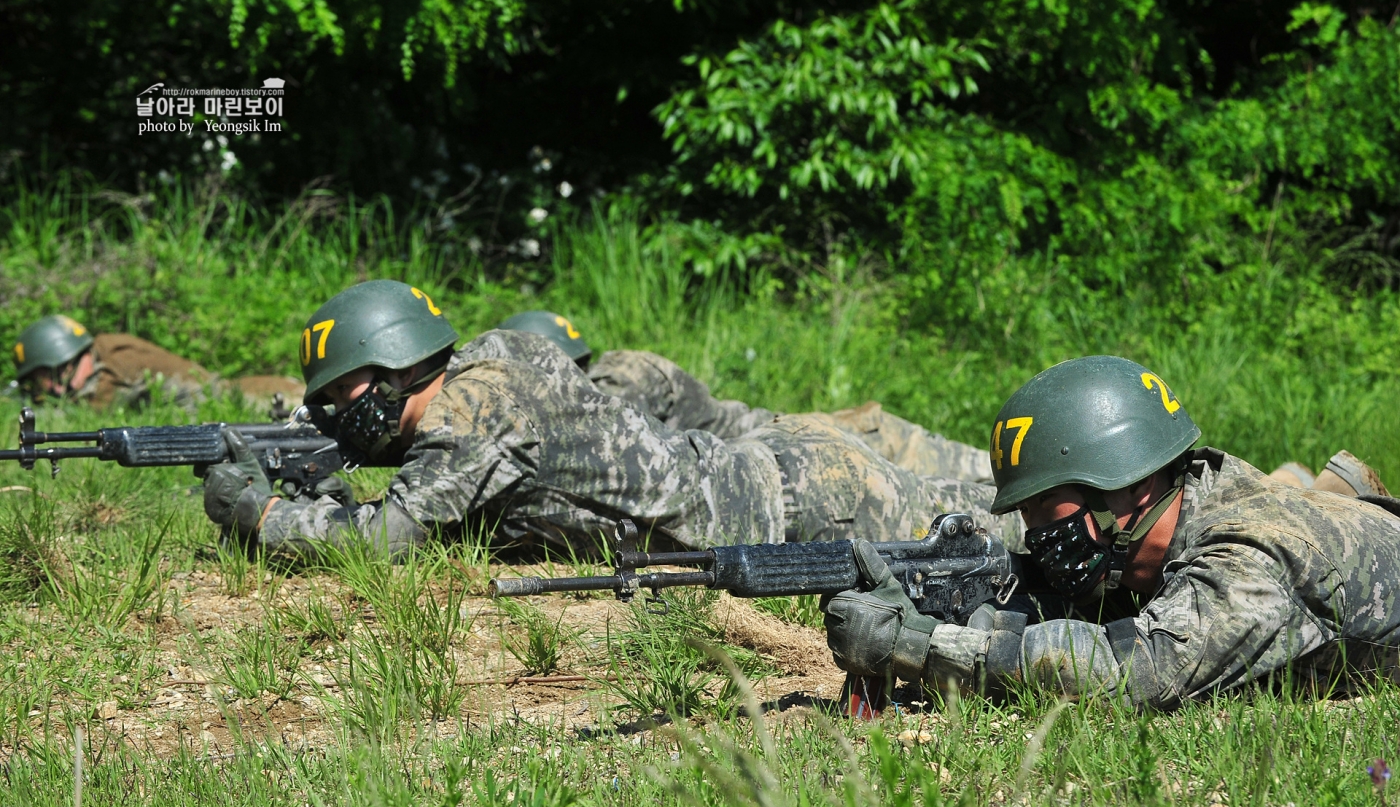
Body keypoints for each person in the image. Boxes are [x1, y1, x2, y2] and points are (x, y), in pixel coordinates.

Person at [201, 282, 1020, 560]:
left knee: (1017, 529)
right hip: (787, 468)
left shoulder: (474, 412)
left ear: (390, 372)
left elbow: (385, 540)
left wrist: (265, 515)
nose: (340, 423)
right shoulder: (492, 359)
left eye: (343, 403)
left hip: (809, 501)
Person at [822, 355, 1400, 710]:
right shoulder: (1189, 506)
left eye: (1050, 504)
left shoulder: (1252, 557)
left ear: (1127, 483)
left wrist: (919, 646)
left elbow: (1131, 670)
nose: (1038, 531)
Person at [497, 309, 993, 484]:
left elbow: (615, 447)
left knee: (1006, 475)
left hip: (844, 439)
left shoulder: (621, 376)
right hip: (811, 445)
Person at [10, 315, 305, 411]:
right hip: (223, 393)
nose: (46, 388)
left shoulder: (115, 366)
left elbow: (95, 409)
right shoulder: (105, 349)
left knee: (298, 408)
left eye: (42, 378)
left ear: (63, 364)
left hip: (234, 397)